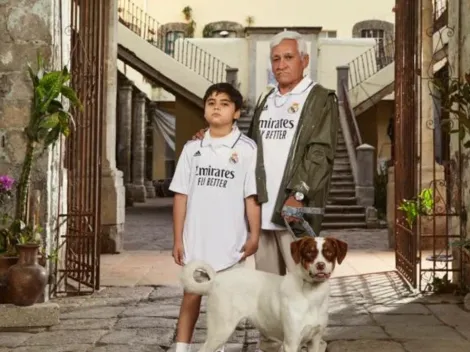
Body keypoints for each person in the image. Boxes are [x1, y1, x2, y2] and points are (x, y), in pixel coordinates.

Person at [170, 82, 261, 352]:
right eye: (211, 103)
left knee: (222, 303)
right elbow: (181, 196)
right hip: (196, 239)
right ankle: (181, 348)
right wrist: (178, 239)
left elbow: (251, 197)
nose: (216, 107)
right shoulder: (192, 149)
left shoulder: (247, 149)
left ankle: (215, 348)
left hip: (229, 241)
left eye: (224, 103)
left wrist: (254, 235)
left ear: (236, 112)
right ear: (204, 109)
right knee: (191, 296)